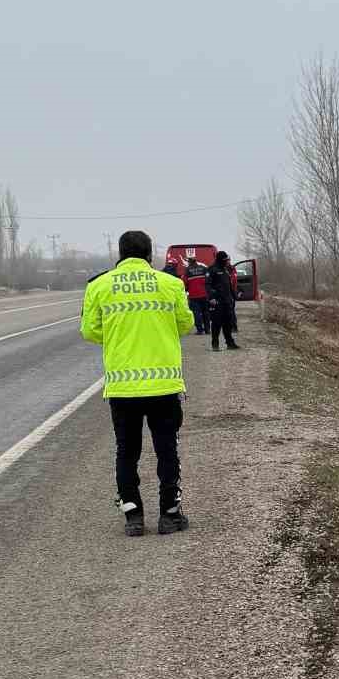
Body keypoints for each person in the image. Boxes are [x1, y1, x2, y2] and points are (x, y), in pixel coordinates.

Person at [81, 230, 195, 536]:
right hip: (164, 387)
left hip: (122, 388)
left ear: (120, 254)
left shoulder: (99, 286)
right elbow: (187, 324)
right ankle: (170, 514)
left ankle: (132, 515)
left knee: (126, 452)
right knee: (166, 449)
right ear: (149, 255)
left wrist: (120, 336)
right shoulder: (170, 284)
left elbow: (90, 331)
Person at [208, 249, 240, 350]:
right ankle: (215, 344)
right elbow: (207, 285)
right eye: (225, 259)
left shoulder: (226, 270)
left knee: (228, 323)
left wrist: (234, 296)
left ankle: (230, 343)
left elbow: (229, 285)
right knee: (216, 323)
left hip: (227, 301)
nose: (227, 261)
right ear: (220, 260)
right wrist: (211, 298)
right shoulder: (212, 270)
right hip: (217, 302)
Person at [185, 254, 210, 336]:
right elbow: (208, 280)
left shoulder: (188, 270)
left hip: (193, 295)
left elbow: (185, 282)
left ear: (189, 262)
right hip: (204, 294)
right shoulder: (203, 268)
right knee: (205, 312)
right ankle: (207, 329)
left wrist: (186, 290)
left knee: (196, 313)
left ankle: (200, 330)